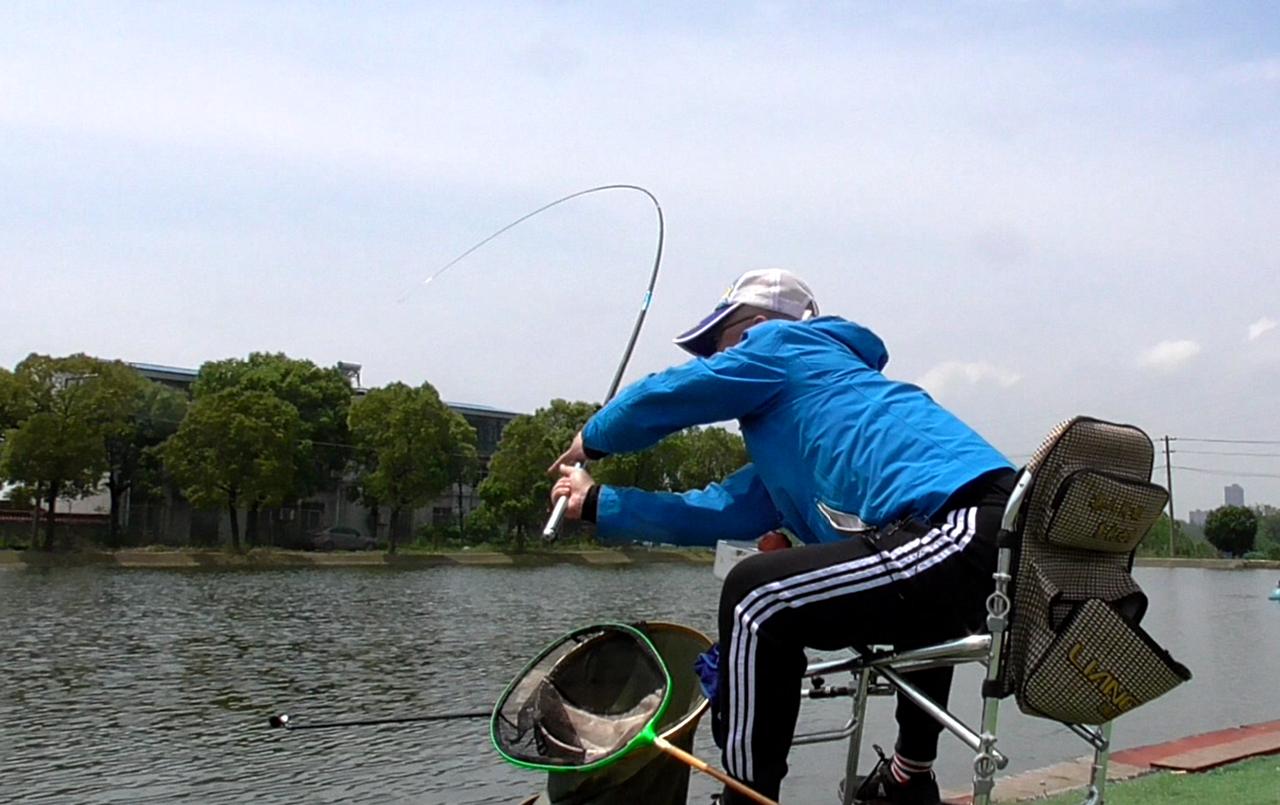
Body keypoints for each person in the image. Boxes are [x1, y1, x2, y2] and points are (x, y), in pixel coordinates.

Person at [549, 268, 1015, 805]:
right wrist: (597, 503)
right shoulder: (795, 433)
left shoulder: (784, 343)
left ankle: (747, 798)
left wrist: (593, 437)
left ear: (757, 326)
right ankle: (909, 779)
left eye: (720, 346)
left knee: (756, 597)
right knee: (908, 603)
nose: (714, 361)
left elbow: (673, 394)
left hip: (970, 518)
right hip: (969, 539)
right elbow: (712, 511)